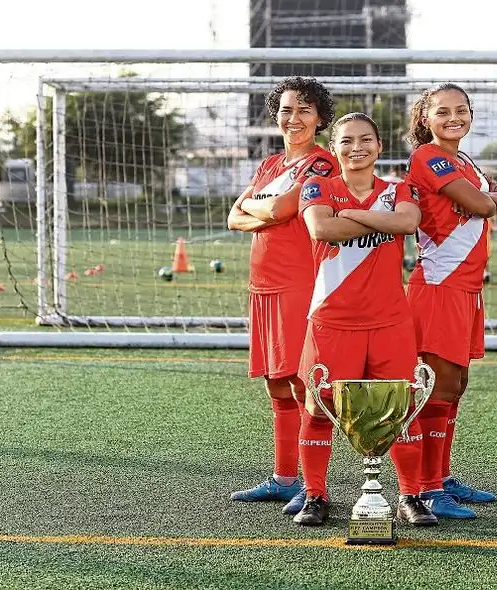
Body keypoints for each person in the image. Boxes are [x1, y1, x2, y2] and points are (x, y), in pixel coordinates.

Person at [293, 112, 437, 527]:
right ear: (334, 148)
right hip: (332, 318)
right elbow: (321, 230)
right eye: (346, 141)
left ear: (379, 146)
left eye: (365, 140)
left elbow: (407, 222)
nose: (356, 148)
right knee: (317, 408)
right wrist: (375, 221)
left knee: (400, 408)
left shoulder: (399, 189)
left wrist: (351, 217)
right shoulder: (318, 185)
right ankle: (315, 494)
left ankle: (411, 495)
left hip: (390, 321)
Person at [404, 83, 497, 519]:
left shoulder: (465, 161)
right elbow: (485, 205)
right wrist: (488, 200)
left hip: (467, 288)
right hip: (439, 286)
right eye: (443, 111)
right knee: (437, 388)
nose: (454, 118)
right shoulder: (427, 156)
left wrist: (488, 199)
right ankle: (426, 489)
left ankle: (442, 475)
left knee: (455, 386)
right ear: (425, 119)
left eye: (462, 110)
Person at [226, 76, 338, 514]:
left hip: (299, 284)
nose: (294, 118)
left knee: (300, 381)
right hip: (263, 285)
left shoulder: (322, 164)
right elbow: (233, 217)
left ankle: (312, 486)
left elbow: (279, 208)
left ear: (320, 118)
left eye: (304, 110)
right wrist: (265, 212)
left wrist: (261, 209)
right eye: (287, 110)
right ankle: (283, 478)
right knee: (275, 381)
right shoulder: (270, 164)